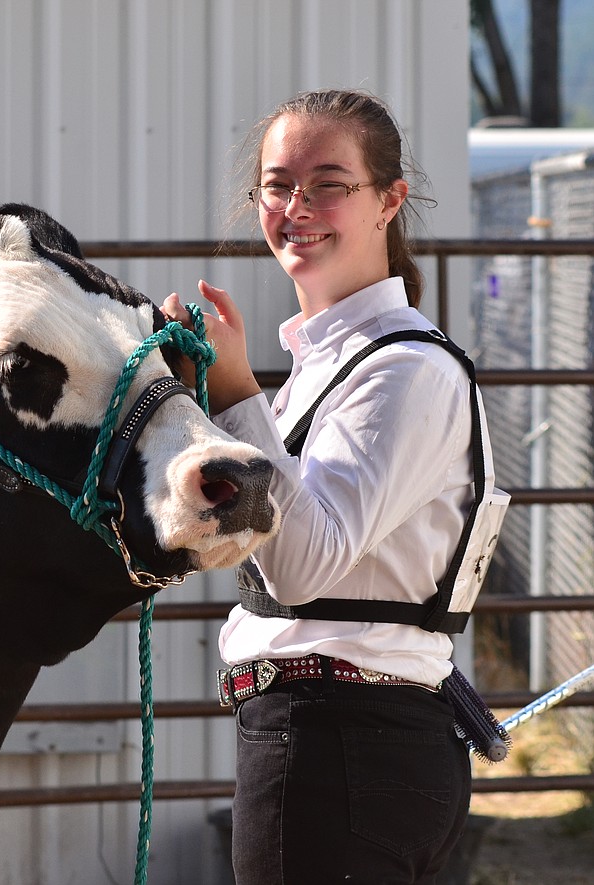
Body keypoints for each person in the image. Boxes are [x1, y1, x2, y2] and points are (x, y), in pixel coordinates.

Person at [163, 89, 493, 883]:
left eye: (329, 183)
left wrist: (237, 394)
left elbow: (305, 564)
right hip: (339, 740)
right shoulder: (331, 365)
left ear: (390, 200)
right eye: (278, 184)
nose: (296, 206)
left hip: (341, 742)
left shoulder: (404, 368)